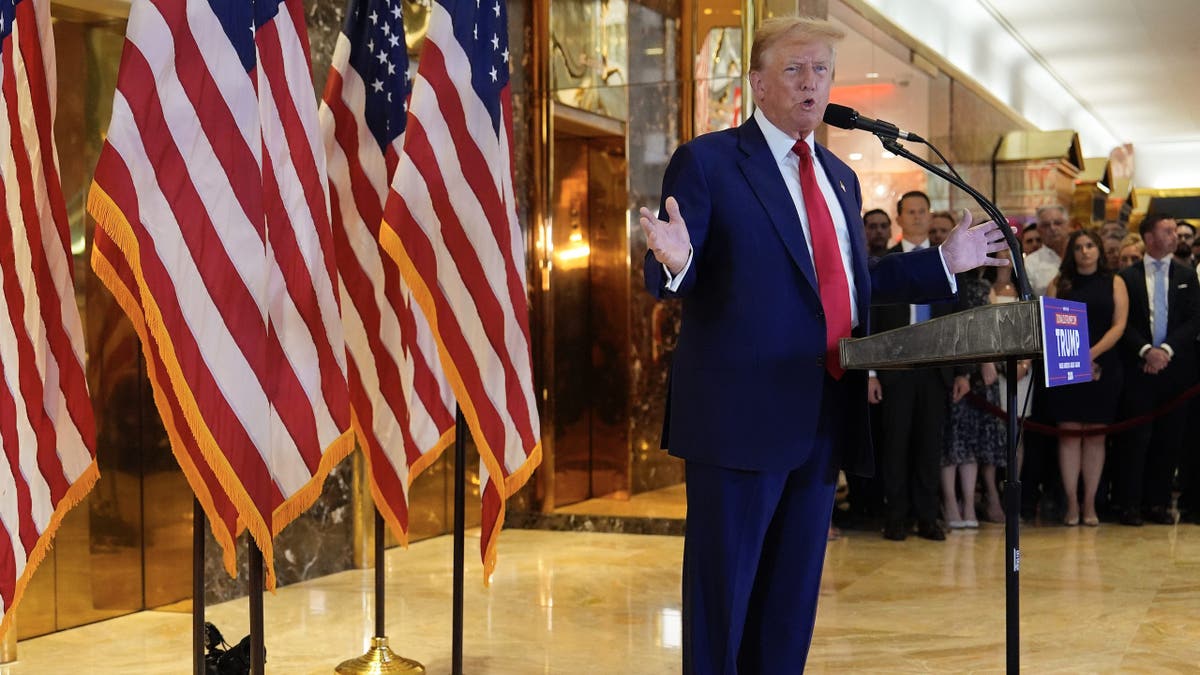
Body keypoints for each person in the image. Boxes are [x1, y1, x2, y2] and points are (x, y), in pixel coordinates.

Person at [638, 16, 1007, 672]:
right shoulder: (711, 162)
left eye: (822, 71)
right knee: (723, 602)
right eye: (794, 69)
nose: (812, 83)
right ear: (757, 83)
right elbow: (672, 269)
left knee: (789, 605)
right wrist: (675, 260)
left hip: (823, 416)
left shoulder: (840, 177)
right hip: (738, 423)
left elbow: (853, 285)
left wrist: (942, 262)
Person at [871, 191, 953, 542]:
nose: (918, 217)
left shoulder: (945, 260)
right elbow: (870, 319)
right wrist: (871, 373)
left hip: (935, 369)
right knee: (895, 446)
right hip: (896, 368)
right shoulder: (884, 262)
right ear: (899, 218)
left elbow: (954, 317)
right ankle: (896, 518)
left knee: (929, 446)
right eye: (911, 212)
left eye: (923, 211)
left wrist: (960, 372)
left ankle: (927, 518)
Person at [1114, 213, 1200, 526]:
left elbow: (1192, 320)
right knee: (1136, 440)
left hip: (1176, 371)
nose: (1175, 236)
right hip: (1139, 369)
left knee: (1170, 439)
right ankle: (1130, 504)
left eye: (1175, 231)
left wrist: (1164, 351)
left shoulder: (1187, 274)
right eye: (1167, 231)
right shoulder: (1127, 276)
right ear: (1149, 237)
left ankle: (1159, 504)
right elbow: (1123, 323)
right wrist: (1146, 351)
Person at [1043, 230, 1129, 526]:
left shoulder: (1115, 282)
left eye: (1090, 245)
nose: (1085, 251)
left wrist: (1090, 355)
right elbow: (1051, 326)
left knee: (1095, 436)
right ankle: (1071, 505)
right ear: (1072, 252)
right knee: (1068, 434)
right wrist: (1078, 359)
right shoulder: (1059, 283)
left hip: (1104, 365)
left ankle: (1089, 503)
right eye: (1078, 247)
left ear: (1099, 250)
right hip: (1066, 364)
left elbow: (1119, 325)